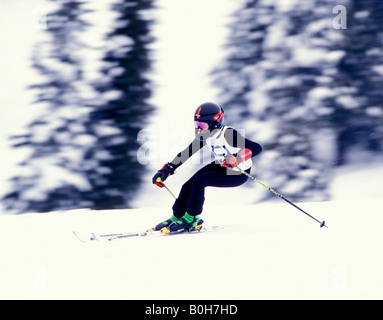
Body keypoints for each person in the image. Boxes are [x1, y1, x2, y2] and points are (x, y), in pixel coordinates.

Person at [152, 102, 262, 234]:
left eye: (202, 125)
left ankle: (191, 218)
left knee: (200, 180)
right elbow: (187, 153)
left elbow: (256, 147)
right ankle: (178, 216)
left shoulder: (228, 134)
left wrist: (237, 157)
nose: (199, 129)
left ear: (215, 123)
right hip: (222, 164)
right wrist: (166, 170)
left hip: (239, 173)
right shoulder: (205, 136)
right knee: (188, 184)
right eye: (196, 125)